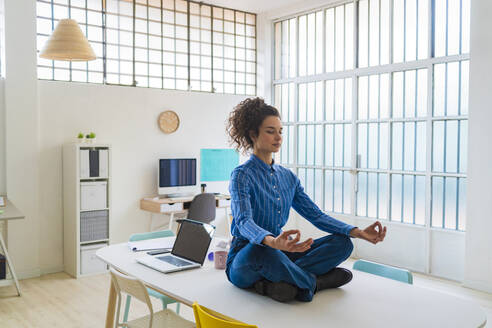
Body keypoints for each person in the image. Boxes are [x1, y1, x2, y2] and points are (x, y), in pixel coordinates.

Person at [225, 97, 387, 303]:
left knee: (343, 243)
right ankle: (316, 283)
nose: (278, 137)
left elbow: (316, 215)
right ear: (253, 134)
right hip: (247, 259)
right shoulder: (241, 175)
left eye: (280, 131)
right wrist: (272, 241)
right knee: (261, 251)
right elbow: (243, 221)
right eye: (270, 131)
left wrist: (358, 232)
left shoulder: (288, 177)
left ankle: (272, 285)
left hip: (280, 254)